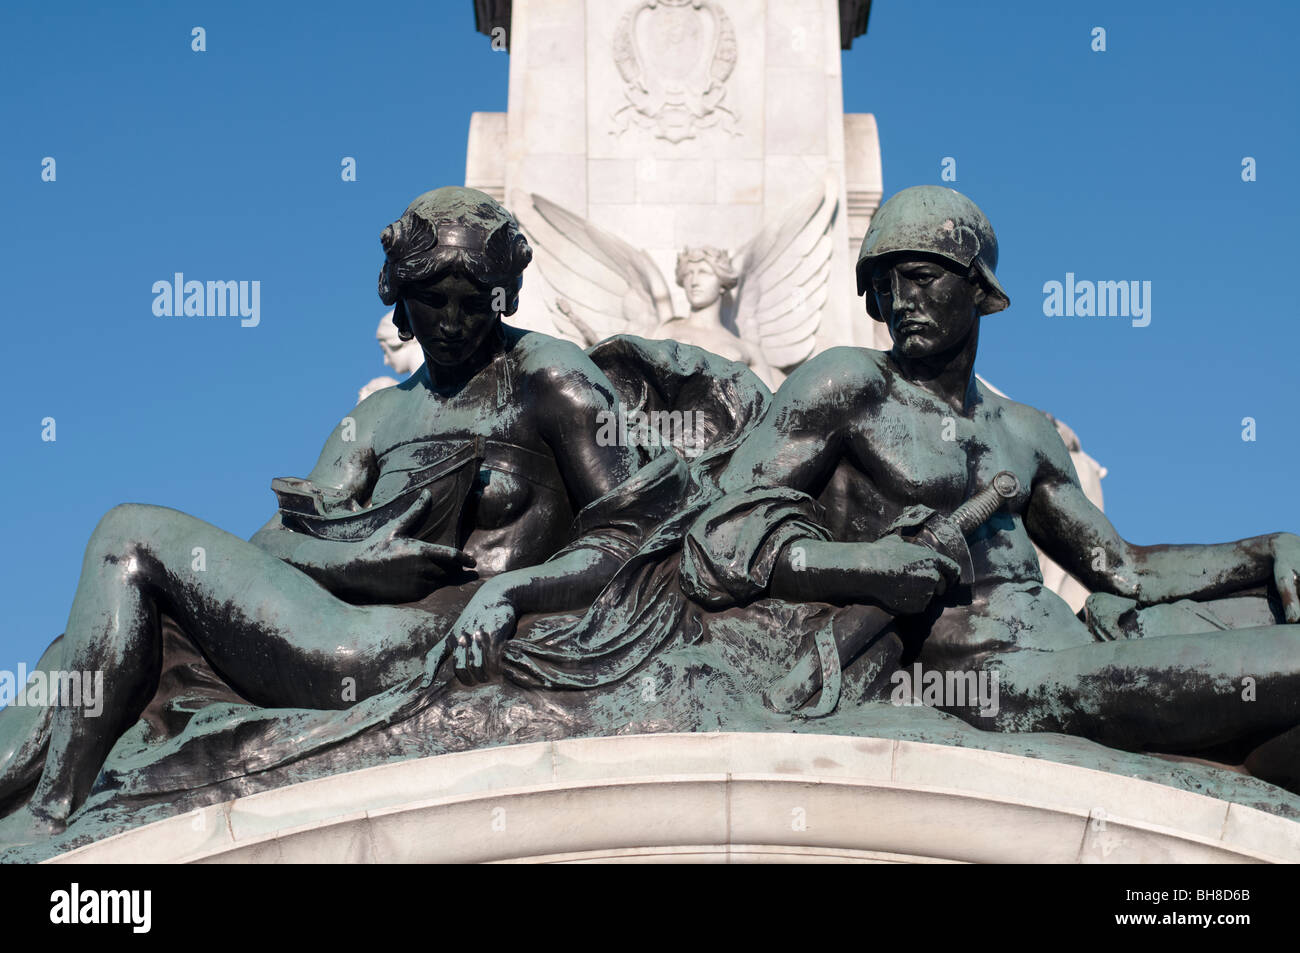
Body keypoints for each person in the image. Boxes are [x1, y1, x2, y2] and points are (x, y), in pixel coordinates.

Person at [0, 187, 664, 834]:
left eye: (473, 303)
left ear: (504, 297)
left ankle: (53, 813)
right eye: (433, 302)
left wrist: (515, 592)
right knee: (75, 652)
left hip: (414, 643)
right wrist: (358, 558)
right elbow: (276, 541)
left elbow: (630, 538)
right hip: (336, 619)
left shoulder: (552, 380)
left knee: (127, 534)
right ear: (399, 297)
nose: (455, 323)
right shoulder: (378, 417)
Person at [681, 185, 1300, 787]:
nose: (900, 301)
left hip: (1084, 638)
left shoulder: (1025, 431)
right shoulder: (851, 383)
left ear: (978, 287)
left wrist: (1270, 548)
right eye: (883, 285)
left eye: (921, 277)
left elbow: (1128, 570)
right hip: (993, 678)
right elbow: (716, 533)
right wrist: (865, 564)